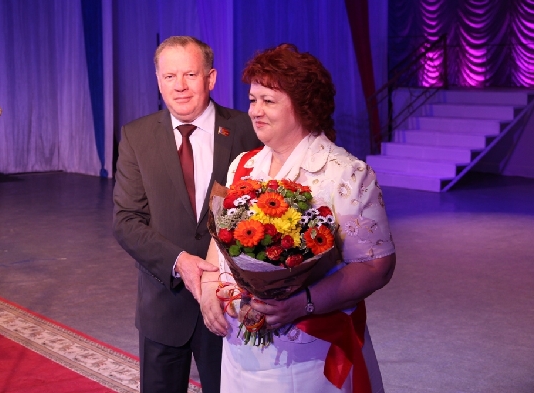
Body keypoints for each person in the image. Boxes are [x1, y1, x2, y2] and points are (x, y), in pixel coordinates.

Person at [200, 43, 396, 393]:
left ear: (304, 106)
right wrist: (208, 288)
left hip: (311, 354)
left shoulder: (346, 173)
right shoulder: (242, 165)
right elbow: (221, 240)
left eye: (268, 101)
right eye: (252, 100)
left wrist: (302, 303)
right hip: (240, 347)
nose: (255, 111)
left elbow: (375, 267)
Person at [113, 36, 262, 393]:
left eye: (190, 75)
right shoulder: (136, 136)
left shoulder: (246, 130)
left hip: (230, 308)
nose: (179, 86)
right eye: (170, 76)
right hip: (163, 307)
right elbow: (127, 220)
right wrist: (180, 261)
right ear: (158, 81)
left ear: (211, 78)